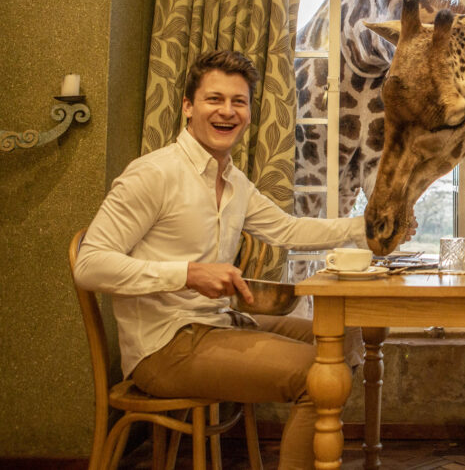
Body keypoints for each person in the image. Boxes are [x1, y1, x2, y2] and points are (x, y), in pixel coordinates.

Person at [73, 50, 412, 470]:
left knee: (347, 343)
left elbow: (288, 230)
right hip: (165, 347)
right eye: (214, 99)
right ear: (187, 107)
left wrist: (367, 226)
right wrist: (187, 274)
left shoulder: (232, 179)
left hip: (218, 324)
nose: (227, 111)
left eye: (239, 101)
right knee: (320, 377)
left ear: (249, 112)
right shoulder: (152, 175)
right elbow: (89, 265)